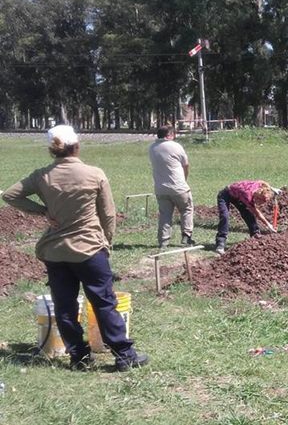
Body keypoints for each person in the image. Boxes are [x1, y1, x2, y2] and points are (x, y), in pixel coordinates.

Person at [2, 125, 148, 371]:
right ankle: (124, 355)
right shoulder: (94, 173)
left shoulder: (43, 175)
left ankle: (78, 357)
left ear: (52, 150)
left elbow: (10, 195)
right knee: (103, 302)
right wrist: (107, 241)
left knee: (65, 306)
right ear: (77, 145)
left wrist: (42, 211)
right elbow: (108, 214)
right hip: (89, 249)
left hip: (56, 252)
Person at [149, 125, 194, 249]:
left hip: (160, 187)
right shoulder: (176, 146)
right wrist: (185, 179)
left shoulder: (152, 148)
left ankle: (163, 241)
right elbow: (186, 164)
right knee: (186, 209)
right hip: (178, 186)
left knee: (165, 214)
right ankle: (186, 236)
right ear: (169, 135)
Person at [215, 180, 277, 255]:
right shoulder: (247, 195)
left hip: (237, 196)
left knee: (248, 214)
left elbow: (262, 182)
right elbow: (257, 212)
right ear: (259, 197)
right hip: (225, 195)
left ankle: (255, 236)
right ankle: (220, 244)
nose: (261, 204)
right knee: (225, 216)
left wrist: (272, 189)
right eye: (261, 201)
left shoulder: (259, 186)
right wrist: (268, 225)